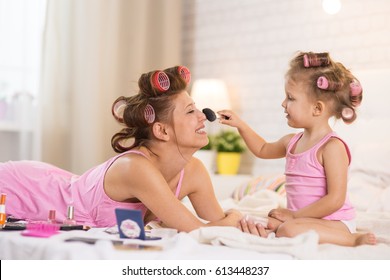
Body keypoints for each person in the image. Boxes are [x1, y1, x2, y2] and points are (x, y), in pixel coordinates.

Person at [0, 65, 242, 231]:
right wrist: (235, 217)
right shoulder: (135, 168)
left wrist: (236, 221)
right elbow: (198, 230)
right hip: (25, 189)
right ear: (162, 131)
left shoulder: (194, 171)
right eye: (191, 111)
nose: (203, 117)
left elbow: (216, 226)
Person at [218, 52, 376, 246]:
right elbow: (262, 149)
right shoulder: (291, 141)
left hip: (333, 223)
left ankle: (353, 239)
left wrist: (294, 216)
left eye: (290, 98)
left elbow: (335, 199)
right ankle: (286, 225)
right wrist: (240, 125)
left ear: (317, 109)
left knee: (288, 229)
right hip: (305, 218)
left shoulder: (332, 147)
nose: (283, 104)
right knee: (261, 221)